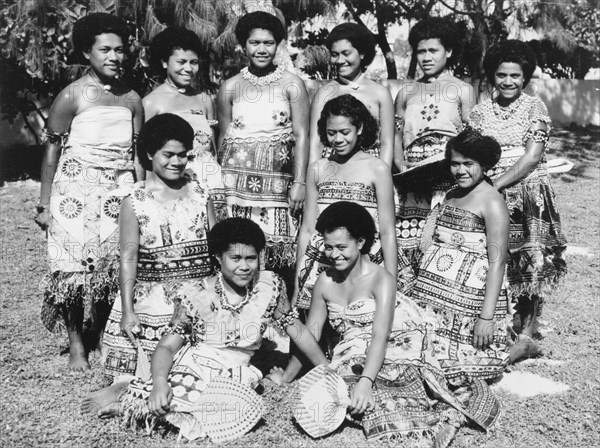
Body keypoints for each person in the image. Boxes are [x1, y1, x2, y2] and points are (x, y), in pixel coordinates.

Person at [270, 202, 500, 444]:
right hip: (352, 351)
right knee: (343, 396)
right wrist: (289, 376)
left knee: (382, 392)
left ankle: (442, 420)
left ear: (360, 242)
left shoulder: (381, 279)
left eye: (341, 247)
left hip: (397, 341)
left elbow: (381, 335)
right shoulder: (324, 281)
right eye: (328, 247)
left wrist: (366, 381)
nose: (334, 255)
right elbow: (312, 334)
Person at [82, 218, 328, 443]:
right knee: (175, 387)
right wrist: (159, 383)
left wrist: (326, 369)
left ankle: (144, 406)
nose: (244, 267)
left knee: (231, 407)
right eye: (235, 258)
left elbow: (298, 331)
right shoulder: (195, 293)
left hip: (237, 370)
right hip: (196, 362)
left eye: (251, 258)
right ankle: (136, 401)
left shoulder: (269, 286)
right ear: (218, 258)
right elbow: (167, 346)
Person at [35, 13, 144, 372]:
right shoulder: (72, 94)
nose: (114, 57)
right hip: (74, 191)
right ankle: (76, 343)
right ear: (88, 52)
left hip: (119, 189)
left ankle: (103, 332)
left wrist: (141, 193)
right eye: (105, 50)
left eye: (120, 50)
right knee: (71, 269)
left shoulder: (132, 99)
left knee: (114, 265)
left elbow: (138, 153)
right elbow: (52, 148)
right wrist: (44, 203)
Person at [469, 40, 567, 363]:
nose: (508, 81)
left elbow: (530, 159)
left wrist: (494, 184)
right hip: (491, 193)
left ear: (525, 77)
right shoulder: (480, 112)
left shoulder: (534, 108)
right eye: (501, 75)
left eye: (515, 75)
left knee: (529, 261)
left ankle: (526, 336)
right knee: (495, 258)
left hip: (527, 193)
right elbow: (473, 153)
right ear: (492, 76)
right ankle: (498, 324)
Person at [102, 114, 215, 379]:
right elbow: (128, 259)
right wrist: (128, 312)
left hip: (198, 297)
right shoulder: (135, 201)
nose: (177, 162)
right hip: (154, 303)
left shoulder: (200, 193)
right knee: (145, 377)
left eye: (183, 154)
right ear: (150, 153)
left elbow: (216, 248)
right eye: (168, 154)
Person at [411, 128, 511, 384]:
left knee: (461, 371)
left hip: (471, 297)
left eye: (469, 164)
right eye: (455, 164)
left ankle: (518, 348)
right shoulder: (451, 194)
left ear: (485, 165)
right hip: (435, 292)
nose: (461, 170)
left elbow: (497, 261)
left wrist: (486, 317)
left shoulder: (492, 202)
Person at [217, 11, 310, 282]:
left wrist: (300, 182)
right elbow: (223, 138)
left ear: (277, 45)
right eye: (254, 42)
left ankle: (277, 315)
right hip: (235, 188)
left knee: (278, 258)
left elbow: (302, 135)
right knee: (239, 253)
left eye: (268, 43)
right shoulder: (230, 87)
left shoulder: (292, 84)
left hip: (279, 186)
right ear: (243, 45)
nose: (261, 49)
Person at [294, 94, 402, 313]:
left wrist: (391, 281)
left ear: (360, 128)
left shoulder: (377, 168)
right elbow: (306, 229)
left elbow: (388, 231)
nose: (338, 139)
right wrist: (297, 282)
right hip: (322, 262)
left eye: (345, 132)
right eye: (331, 133)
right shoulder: (318, 169)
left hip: (365, 263)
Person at [394, 17, 476, 272]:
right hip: (412, 177)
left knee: (442, 240)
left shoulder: (462, 90)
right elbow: (396, 135)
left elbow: (471, 136)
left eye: (433, 50)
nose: (426, 57)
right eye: (421, 51)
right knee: (409, 241)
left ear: (448, 51)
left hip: (446, 174)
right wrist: (400, 165)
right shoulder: (406, 92)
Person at [143, 27, 226, 220]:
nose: (188, 69)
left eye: (193, 62)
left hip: (211, 183)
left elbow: (213, 148)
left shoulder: (204, 99)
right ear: (164, 62)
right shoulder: (151, 102)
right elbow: (146, 156)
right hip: (173, 183)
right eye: (181, 62)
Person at [309, 22, 394, 167]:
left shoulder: (380, 93)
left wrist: (382, 176)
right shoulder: (324, 93)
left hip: (369, 170)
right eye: (335, 55)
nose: (340, 61)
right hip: (332, 169)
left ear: (362, 53)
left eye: (346, 54)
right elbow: (316, 144)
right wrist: (313, 178)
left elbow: (387, 143)